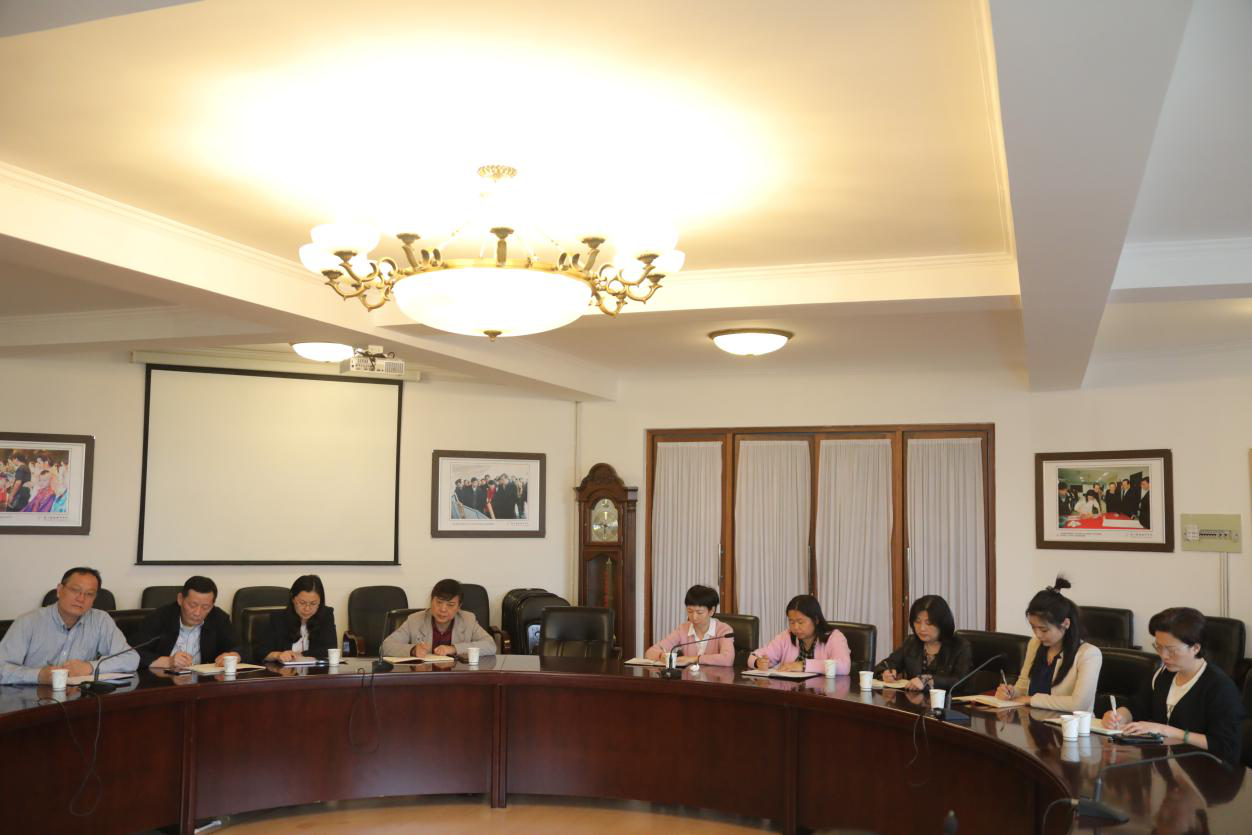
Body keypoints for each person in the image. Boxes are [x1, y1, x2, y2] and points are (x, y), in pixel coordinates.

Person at [1102, 607, 1244, 765]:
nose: (1163, 656)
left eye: (1171, 650)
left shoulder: (1219, 687)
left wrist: (1165, 730)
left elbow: (1225, 746)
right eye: (1158, 647)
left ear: (1196, 648)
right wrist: (1119, 716)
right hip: (1162, 765)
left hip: (1202, 771)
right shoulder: (1163, 674)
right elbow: (1137, 707)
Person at [0, 567, 138, 684]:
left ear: (94, 599)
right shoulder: (28, 622)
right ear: (60, 590)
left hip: (82, 698)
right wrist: (38, 675)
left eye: (89, 594)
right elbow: (2, 668)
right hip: (32, 698)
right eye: (75, 590)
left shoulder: (101, 620)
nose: (81, 598)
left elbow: (131, 659)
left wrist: (89, 667)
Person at [995, 577, 1102, 711]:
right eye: (1033, 627)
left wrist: (1031, 699)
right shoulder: (1035, 644)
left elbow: (1079, 704)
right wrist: (1011, 692)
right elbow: (1022, 688)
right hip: (1032, 720)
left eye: (1044, 629)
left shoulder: (1089, 654)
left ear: (1065, 624)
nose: (1038, 635)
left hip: (1069, 724)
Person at [136, 576, 242, 669]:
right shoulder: (159, 618)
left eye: (205, 607)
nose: (197, 613)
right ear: (180, 599)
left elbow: (243, 648)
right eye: (192, 605)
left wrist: (234, 655)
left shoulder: (218, 618)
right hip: (163, 681)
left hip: (205, 682)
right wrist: (168, 661)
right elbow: (133, 653)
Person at [874, 595, 972, 691]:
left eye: (928, 623)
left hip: (947, 701)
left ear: (942, 623)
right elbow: (885, 665)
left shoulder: (960, 646)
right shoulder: (912, 642)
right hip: (913, 700)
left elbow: (961, 681)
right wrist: (886, 674)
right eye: (917, 622)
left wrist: (929, 679)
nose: (922, 628)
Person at [379, 578, 496, 659]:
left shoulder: (468, 619)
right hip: (424, 678)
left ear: (459, 607)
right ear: (431, 601)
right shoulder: (414, 620)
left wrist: (454, 649)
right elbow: (385, 647)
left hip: (457, 677)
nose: (443, 609)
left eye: (450, 605)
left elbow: (490, 645)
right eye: (439, 602)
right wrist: (413, 650)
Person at [747, 595, 851, 674]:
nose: (796, 627)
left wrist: (803, 665)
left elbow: (844, 666)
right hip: (790, 693)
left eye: (800, 622)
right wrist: (758, 662)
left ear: (816, 620)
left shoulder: (834, 637)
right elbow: (754, 656)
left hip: (822, 693)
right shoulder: (786, 636)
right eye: (791, 622)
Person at [643, 584, 735, 666]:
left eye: (699, 612)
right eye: (690, 611)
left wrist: (694, 659)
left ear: (711, 611)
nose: (694, 617)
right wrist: (662, 656)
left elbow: (727, 659)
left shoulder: (724, 630)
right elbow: (650, 652)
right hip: (689, 678)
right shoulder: (683, 629)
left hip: (715, 679)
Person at [262, 575, 338, 662]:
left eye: (313, 603)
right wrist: (277, 655)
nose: (307, 609)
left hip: (315, 670)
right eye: (302, 602)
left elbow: (330, 650)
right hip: (283, 670)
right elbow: (260, 652)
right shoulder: (278, 618)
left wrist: (300, 655)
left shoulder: (326, 615)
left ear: (320, 602)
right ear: (293, 599)